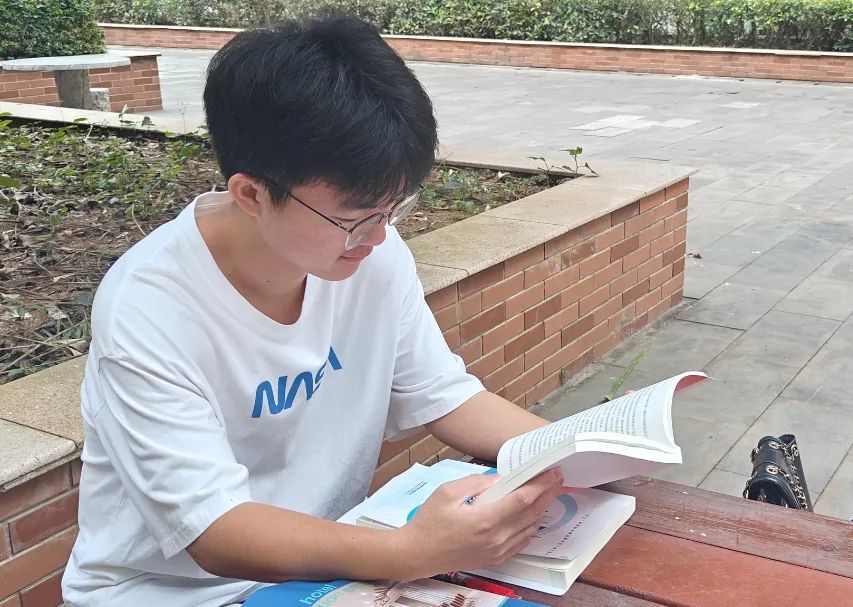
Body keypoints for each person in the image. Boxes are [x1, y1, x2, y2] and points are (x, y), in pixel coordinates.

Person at [61, 15, 562, 607]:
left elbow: (443, 394)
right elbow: (215, 529)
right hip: (172, 594)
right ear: (251, 194)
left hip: (325, 573)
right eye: (354, 218)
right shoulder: (150, 308)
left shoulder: (369, 253)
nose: (378, 236)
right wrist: (412, 551)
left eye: (392, 208)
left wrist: (577, 451)